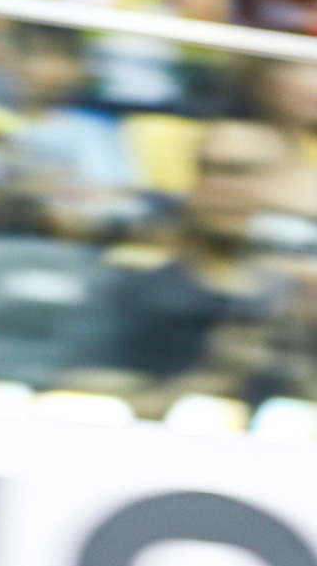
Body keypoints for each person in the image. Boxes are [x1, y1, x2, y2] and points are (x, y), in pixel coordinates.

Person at [56, 120, 317, 418]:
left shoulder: (301, 301)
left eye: (244, 172)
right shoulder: (135, 292)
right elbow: (84, 411)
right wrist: (217, 377)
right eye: (206, 170)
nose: (222, 186)